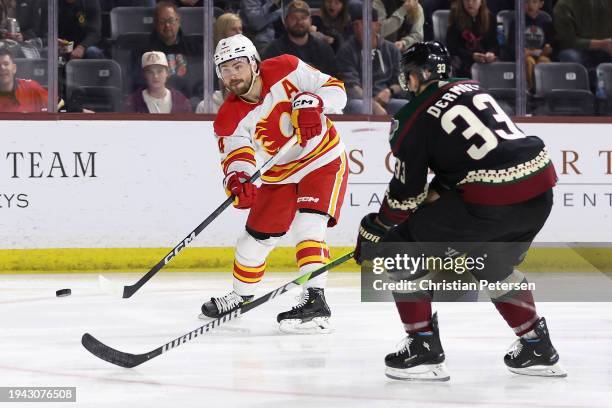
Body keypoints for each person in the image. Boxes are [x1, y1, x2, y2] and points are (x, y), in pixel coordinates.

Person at [354, 41, 565, 381]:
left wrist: (376, 230)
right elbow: (469, 164)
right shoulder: (470, 87)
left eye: (408, 76)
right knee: (490, 261)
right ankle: (536, 346)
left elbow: (406, 195)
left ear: (419, 75)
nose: (407, 84)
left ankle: (423, 348)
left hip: (490, 201)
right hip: (539, 190)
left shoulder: (412, 117)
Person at [200, 34, 348, 334]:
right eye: (225, 69)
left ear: (254, 63)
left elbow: (336, 90)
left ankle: (315, 300)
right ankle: (240, 296)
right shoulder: (228, 117)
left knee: (309, 227)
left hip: (321, 160)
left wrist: (314, 101)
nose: (232, 75)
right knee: (251, 242)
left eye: (238, 65)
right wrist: (238, 179)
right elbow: (236, 156)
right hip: (278, 174)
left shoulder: (288, 67)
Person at [336, 8, 407, 115]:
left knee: (406, 106)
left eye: (365, 24)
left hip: (385, 98)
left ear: (377, 26)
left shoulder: (391, 49)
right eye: (356, 25)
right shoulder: (346, 50)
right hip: (359, 100)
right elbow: (351, 86)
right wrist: (373, 105)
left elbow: (401, 81)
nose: (359, 28)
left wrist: (389, 91)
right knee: (360, 107)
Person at [261, 0, 337, 77]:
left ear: (310, 21)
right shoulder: (274, 50)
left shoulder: (324, 49)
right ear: (285, 22)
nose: (299, 22)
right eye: (293, 18)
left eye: (303, 18)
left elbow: (333, 80)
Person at [553, 0, 612, 74]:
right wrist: (601, 44)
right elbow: (567, 42)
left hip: (606, 50)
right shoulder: (563, 5)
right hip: (578, 51)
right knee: (568, 56)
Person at [123, 51, 191, 113]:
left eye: (160, 71)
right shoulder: (133, 102)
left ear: (167, 73)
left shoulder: (181, 101)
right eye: (150, 72)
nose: (155, 76)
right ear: (144, 75)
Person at [508, 0, 553, 92]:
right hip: (524, 55)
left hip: (541, 54)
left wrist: (549, 48)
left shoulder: (546, 20)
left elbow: (551, 42)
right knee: (529, 62)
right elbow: (511, 44)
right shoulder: (517, 20)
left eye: (534, 2)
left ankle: (544, 91)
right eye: (526, 2)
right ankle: (530, 90)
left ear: (541, 4)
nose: (530, 5)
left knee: (544, 61)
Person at [446, 0, 499, 78]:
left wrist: (491, 53)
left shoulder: (490, 18)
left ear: (481, 2)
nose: (470, 3)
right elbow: (452, 47)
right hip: (463, 58)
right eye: (466, 0)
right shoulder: (455, 17)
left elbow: (493, 44)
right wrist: (471, 56)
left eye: (474, 0)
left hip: (483, 58)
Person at [0, 47, 47, 112]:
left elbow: (59, 105)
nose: (2, 68)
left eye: (6, 64)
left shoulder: (32, 88)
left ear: (14, 68)